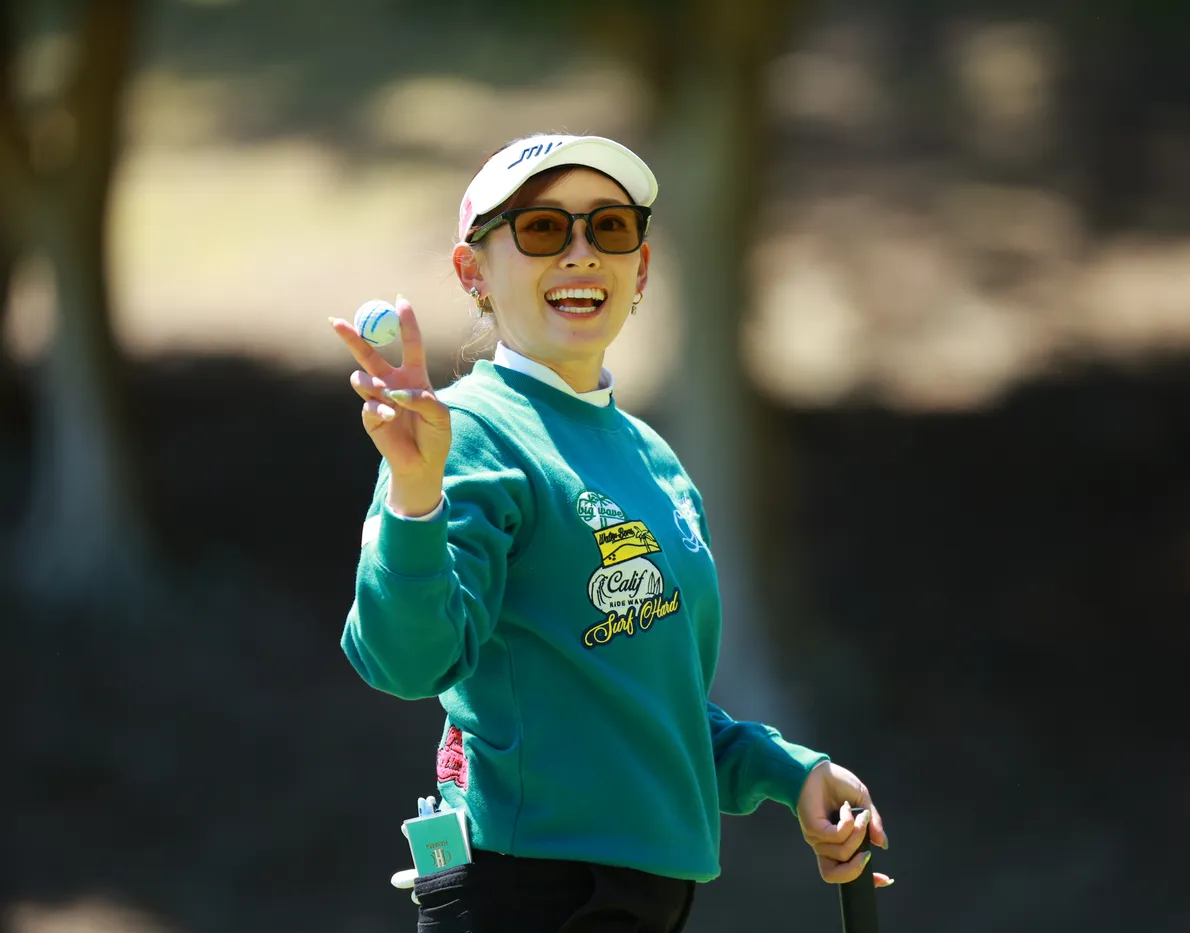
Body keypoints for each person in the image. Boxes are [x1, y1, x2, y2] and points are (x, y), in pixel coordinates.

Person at [331, 133, 892, 933]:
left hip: (643, 899)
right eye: (541, 228)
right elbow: (407, 661)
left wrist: (788, 771)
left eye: (610, 227)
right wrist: (415, 495)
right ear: (472, 272)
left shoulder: (653, 459)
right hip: (525, 891)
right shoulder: (466, 433)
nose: (582, 251)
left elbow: (649, 704)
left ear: (642, 269)